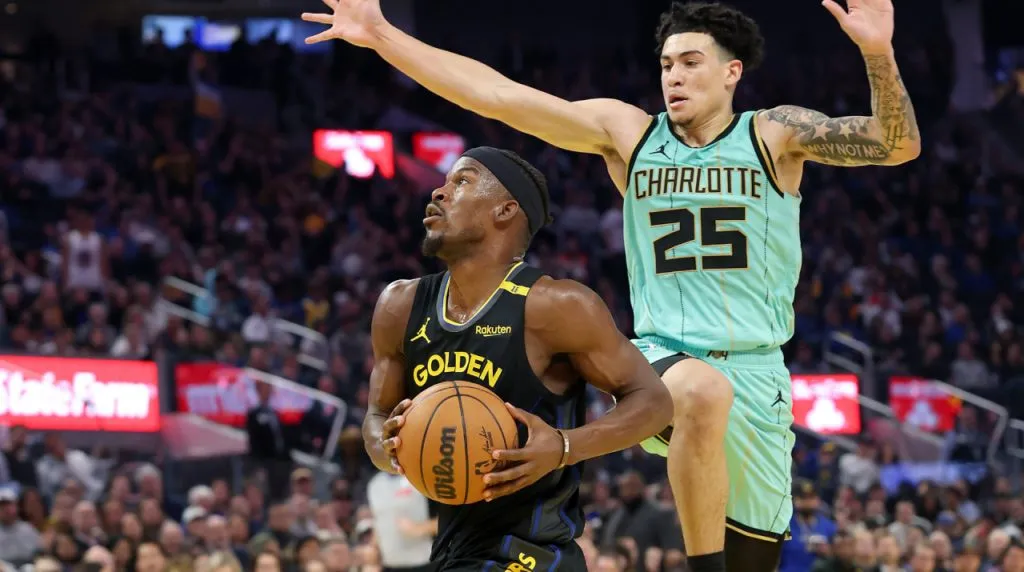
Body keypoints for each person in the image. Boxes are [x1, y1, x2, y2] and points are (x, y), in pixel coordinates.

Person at [301, 0, 921, 569]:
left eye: (690, 63)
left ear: (732, 72)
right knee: (701, 393)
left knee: (753, 558)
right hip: (663, 360)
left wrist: (877, 51)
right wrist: (383, 37)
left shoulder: (773, 134)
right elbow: (497, 95)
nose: (673, 76)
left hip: (760, 373)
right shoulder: (630, 134)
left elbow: (896, 146)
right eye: (666, 65)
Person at [361, 147, 672, 570]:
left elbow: (653, 402)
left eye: (462, 182)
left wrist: (564, 446)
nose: (438, 191)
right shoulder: (399, 306)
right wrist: (389, 445)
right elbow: (376, 418)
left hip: (534, 552)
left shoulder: (556, 305)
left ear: (504, 210)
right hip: (453, 550)